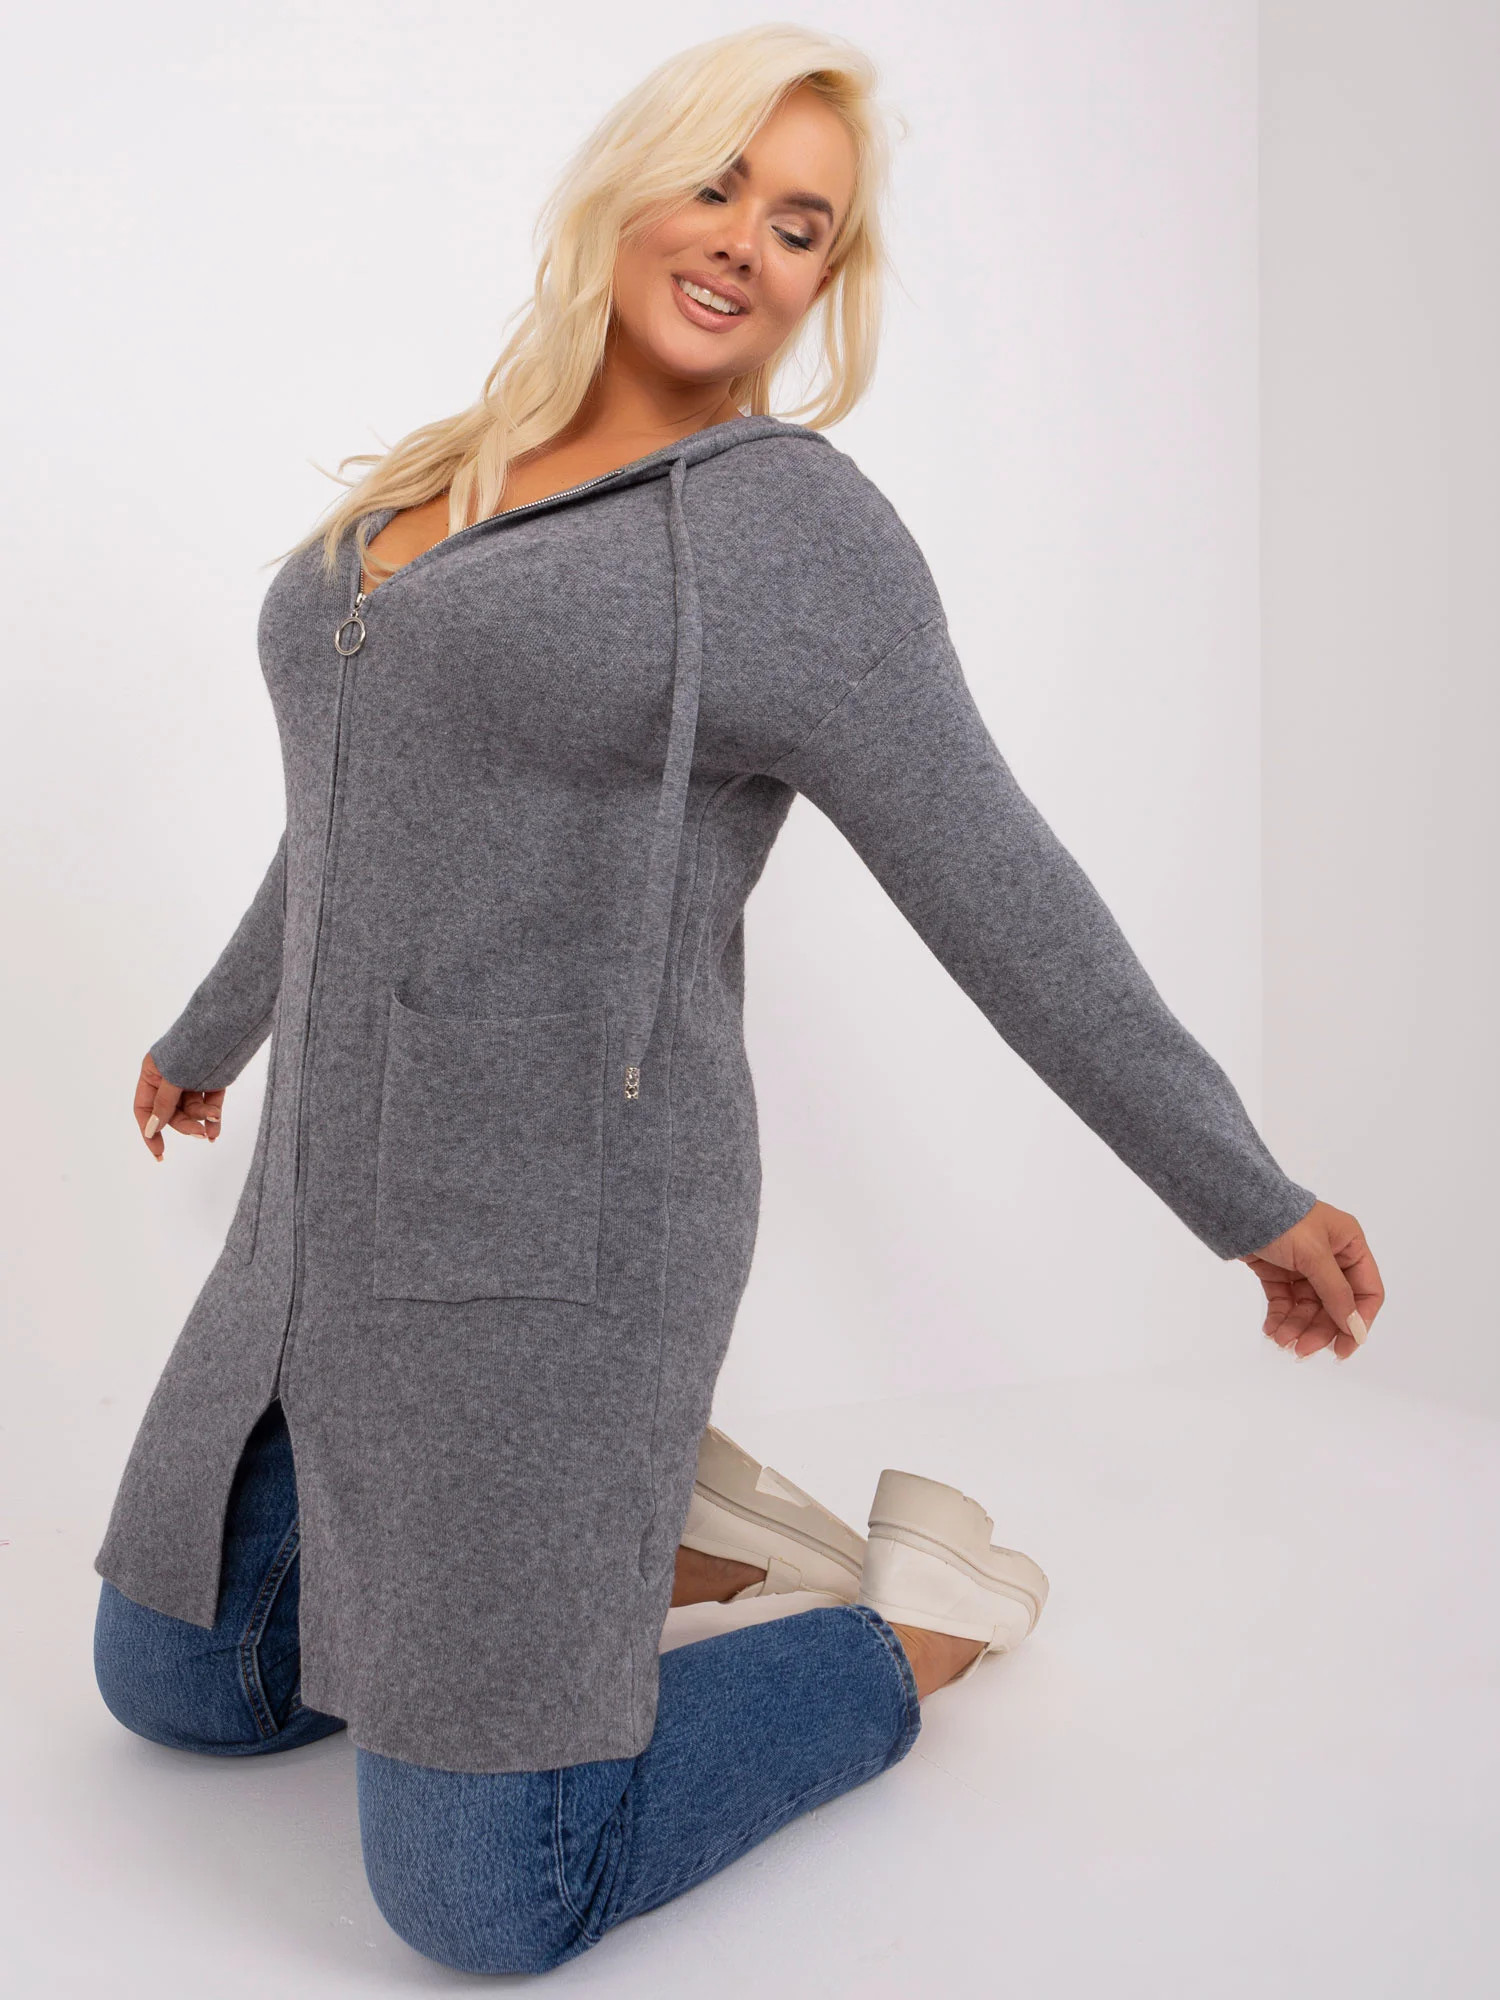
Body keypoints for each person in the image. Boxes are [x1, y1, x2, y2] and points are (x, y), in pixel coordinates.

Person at [92, 22, 1384, 1977]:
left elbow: (1002, 886)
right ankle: (649, 1548)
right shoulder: (452, 468)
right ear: (627, 186)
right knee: (176, 1681)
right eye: (717, 183)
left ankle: (916, 1620)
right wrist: (212, 1033)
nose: (745, 244)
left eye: (800, 226)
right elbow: (357, 811)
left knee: (488, 1897)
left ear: (820, 283)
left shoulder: (792, 538)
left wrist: (1243, 1194)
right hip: (316, 1219)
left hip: (554, 1241)